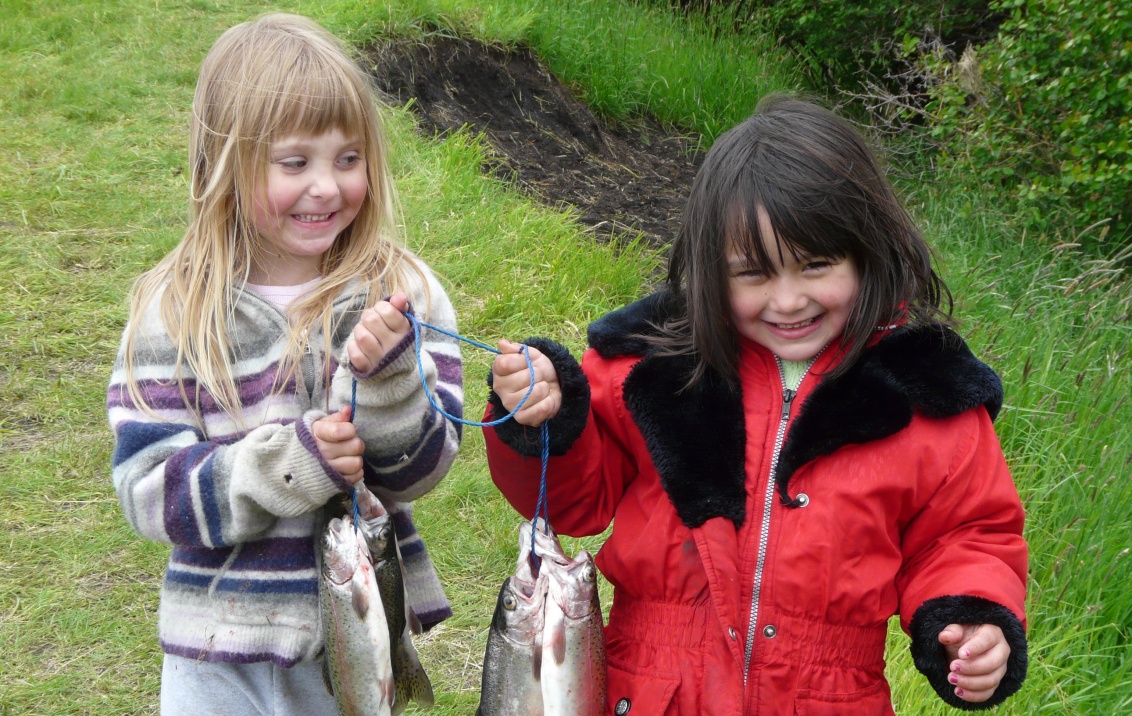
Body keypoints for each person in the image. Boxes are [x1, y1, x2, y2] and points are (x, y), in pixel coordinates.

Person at [484, 96, 1028, 714]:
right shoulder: (652, 367)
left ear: (869, 253)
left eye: (817, 265)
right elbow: (573, 501)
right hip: (651, 688)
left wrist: (974, 620)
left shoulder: (925, 398)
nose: (789, 300)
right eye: (754, 274)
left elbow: (968, 536)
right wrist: (543, 421)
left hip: (831, 695)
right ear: (709, 269)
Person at [106, 14, 462, 715]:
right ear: (225, 163)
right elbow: (147, 492)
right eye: (295, 162)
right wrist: (289, 466)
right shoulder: (175, 310)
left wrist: (390, 383)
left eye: (349, 158)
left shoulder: (402, 292)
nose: (326, 187)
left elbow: (426, 469)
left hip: (358, 643)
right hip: (214, 658)